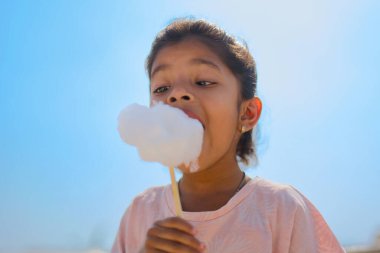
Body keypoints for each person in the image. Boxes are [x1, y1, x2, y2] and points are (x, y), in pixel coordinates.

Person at [111, 18, 346, 253]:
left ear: (247, 114)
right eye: (162, 89)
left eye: (203, 82)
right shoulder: (140, 213)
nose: (177, 94)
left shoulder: (282, 209)